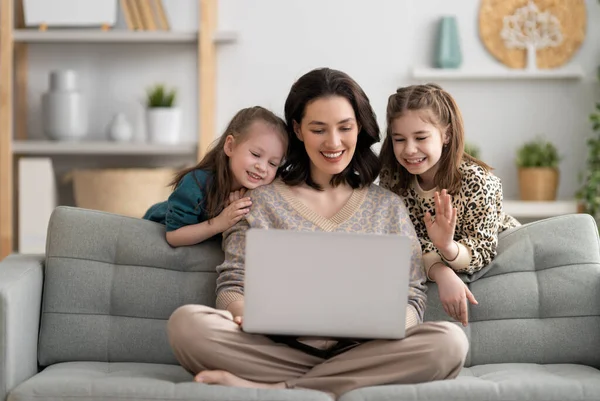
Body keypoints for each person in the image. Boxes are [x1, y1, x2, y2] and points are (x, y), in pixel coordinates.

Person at [166, 68, 469, 399]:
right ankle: (330, 383)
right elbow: (232, 283)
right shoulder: (259, 201)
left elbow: (413, 295)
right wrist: (241, 313)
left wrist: (396, 324)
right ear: (297, 130)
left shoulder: (388, 208)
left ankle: (281, 389)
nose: (334, 142)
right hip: (275, 352)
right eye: (318, 129)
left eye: (344, 127)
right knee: (187, 325)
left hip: (364, 353)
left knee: (449, 343)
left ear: (359, 128)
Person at [378, 83, 520, 327]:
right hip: (443, 263)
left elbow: (483, 249)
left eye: (420, 137)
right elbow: (401, 246)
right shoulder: (393, 180)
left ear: (447, 135)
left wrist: (447, 246)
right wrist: (440, 270)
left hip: (505, 253)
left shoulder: (479, 181)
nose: (409, 150)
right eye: (399, 139)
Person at [143, 106, 287, 247]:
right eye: (255, 154)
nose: (262, 167)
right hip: (155, 225)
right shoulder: (196, 182)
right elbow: (174, 236)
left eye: (273, 163)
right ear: (230, 146)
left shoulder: (257, 191)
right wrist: (220, 222)